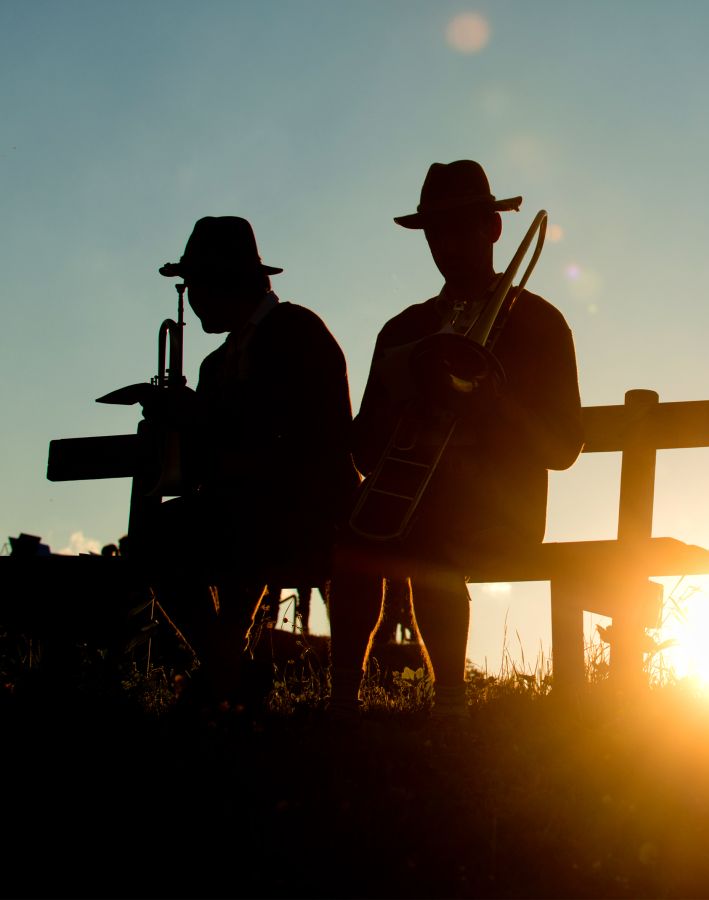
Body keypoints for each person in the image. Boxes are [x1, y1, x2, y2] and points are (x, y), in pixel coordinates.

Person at [329, 160, 583, 717]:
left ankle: (449, 704)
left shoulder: (537, 323)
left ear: (493, 230)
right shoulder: (403, 331)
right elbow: (365, 450)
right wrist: (405, 407)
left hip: (501, 508)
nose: (446, 243)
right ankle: (342, 699)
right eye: (436, 231)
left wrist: (496, 402)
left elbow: (563, 448)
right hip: (411, 500)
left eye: (462, 226)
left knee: (430, 531)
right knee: (350, 534)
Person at [145, 216, 357, 709]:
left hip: (308, 511)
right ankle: (228, 669)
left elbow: (300, 440)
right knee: (158, 534)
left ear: (228, 282)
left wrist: (198, 417)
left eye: (195, 285)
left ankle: (221, 672)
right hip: (250, 510)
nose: (191, 299)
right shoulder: (215, 363)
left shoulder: (298, 332)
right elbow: (213, 455)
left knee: (177, 536)